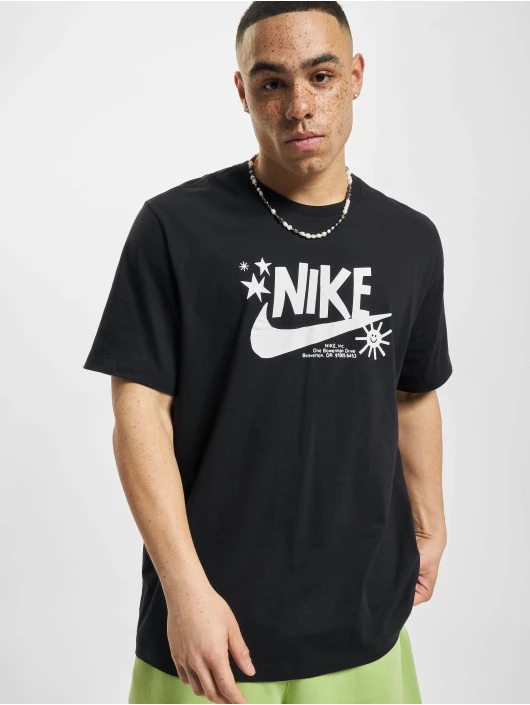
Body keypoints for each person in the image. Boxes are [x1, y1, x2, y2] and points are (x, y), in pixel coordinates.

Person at [83, 2, 453, 703]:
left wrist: (431, 523)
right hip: (212, 632)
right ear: (242, 91)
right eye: (272, 83)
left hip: (364, 624)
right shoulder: (175, 227)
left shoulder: (409, 239)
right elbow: (138, 415)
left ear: (356, 76)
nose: (299, 106)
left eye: (321, 76)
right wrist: (183, 590)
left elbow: (414, 393)